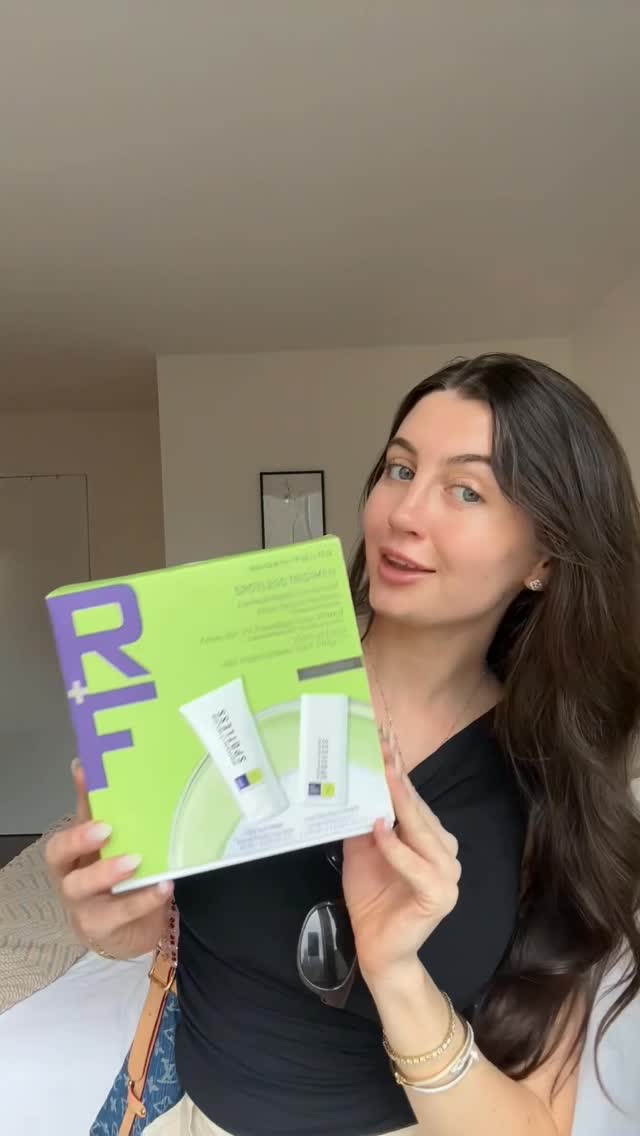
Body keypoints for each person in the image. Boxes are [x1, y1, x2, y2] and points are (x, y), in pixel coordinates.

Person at [46, 353, 640, 1136]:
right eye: (400, 469)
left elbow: (535, 1124)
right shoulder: (238, 696)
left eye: (467, 490)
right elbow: (168, 929)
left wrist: (396, 974)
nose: (404, 513)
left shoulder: (551, 789)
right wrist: (119, 925)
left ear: (544, 559)